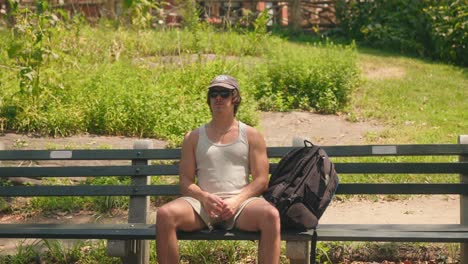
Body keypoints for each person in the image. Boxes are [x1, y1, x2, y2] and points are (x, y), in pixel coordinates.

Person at [156, 75, 281, 264]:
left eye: (224, 93)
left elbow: (261, 180)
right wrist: (205, 198)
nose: (218, 98)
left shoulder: (252, 135)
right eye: (214, 94)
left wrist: (236, 201)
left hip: (241, 206)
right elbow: (185, 182)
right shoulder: (193, 137)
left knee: (271, 215)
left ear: (235, 98)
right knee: (165, 214)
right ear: (209, 99)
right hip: (202, 207)